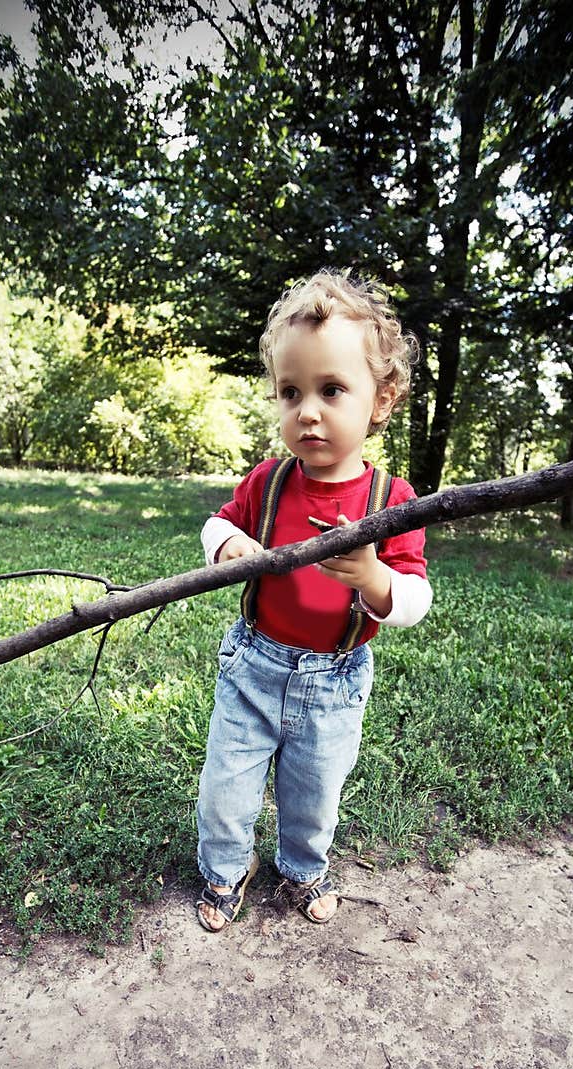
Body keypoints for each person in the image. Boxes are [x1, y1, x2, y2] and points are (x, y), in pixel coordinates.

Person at [195, 269, 433, 931]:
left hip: (334, 679)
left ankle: (301, 870)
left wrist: (372, 579)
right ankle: (224, 869)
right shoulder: (268, 483)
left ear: (381, 399)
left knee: (314, 790)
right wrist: (226, 548)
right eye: (291, 392)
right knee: (227, 783)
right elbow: (218, 523)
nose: (307, 411)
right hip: (253, 665)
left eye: (332, 390)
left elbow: (414, 597)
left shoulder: (391, 502)